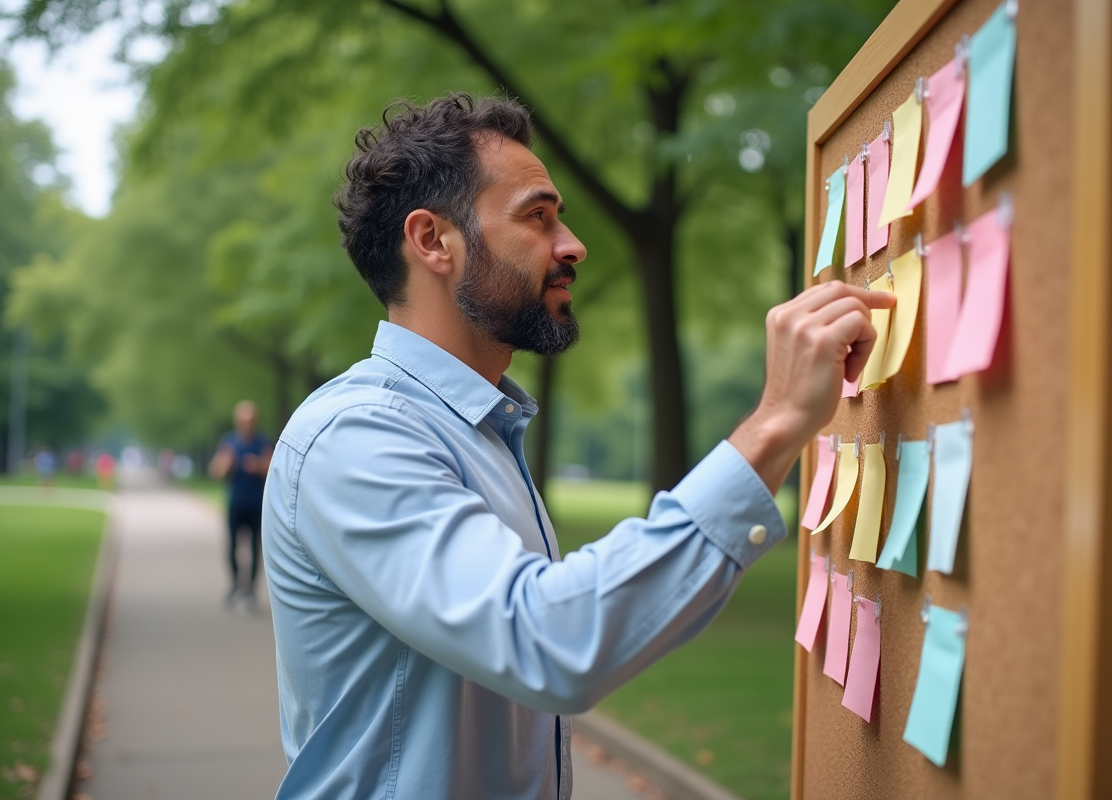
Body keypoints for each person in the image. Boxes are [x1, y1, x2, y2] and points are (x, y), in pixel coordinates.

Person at [262, 94, 893, 800]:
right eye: (538, 216)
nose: (573, 244)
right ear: (433, 241)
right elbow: (549, 640)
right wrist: (773, 424)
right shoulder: (357, 437)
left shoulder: (480, 432)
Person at [210, 400, 273, 612]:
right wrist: (227, 463)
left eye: (251, 420)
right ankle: (236, 584)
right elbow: (216, 472)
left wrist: (258, 466)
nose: (247, 423)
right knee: (232, 547)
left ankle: (250, 593)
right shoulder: (229, 443)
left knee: (255, 548)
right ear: (237, 421)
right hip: (236, 503)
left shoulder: (263, 442)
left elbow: (273, 470)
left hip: (257, 505)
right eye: (243, 420)